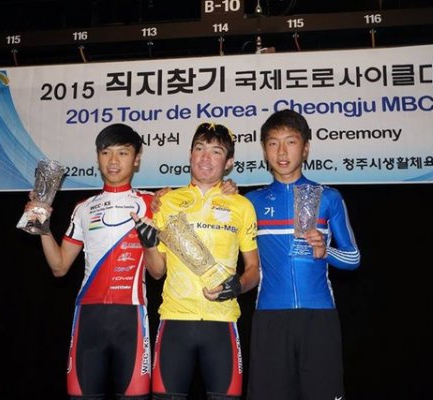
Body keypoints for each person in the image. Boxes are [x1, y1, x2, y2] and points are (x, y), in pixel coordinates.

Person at [25, 123, 155, 399]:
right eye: (106, 152)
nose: (113, 160)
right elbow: (59, 267)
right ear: (98, 157)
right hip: (88, 317)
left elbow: (158, 271)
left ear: (137, 158)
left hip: (131, 318)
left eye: (123, 153)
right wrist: (41, 224)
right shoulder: (83, 208)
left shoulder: (151, 204)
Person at [132, 122, 260, 400]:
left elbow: (254, 270)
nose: (205, 157)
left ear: (229, 163)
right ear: (190, 154)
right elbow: (157, 272)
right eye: (199, 149)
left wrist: (238, 286)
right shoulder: (166, 201)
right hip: (175, 321)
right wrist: (149, 244)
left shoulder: (242, 205)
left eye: (216, 151)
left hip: (222, 323)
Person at [245, 109, 360, 400]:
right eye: (273, 143)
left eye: (291, 142)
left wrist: (325, 251)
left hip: (319, 318)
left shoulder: (329, 197)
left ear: (306, 148)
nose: (282, 152)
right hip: (270, 318)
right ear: (264, 150)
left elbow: (353, 258)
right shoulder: (250, 202)